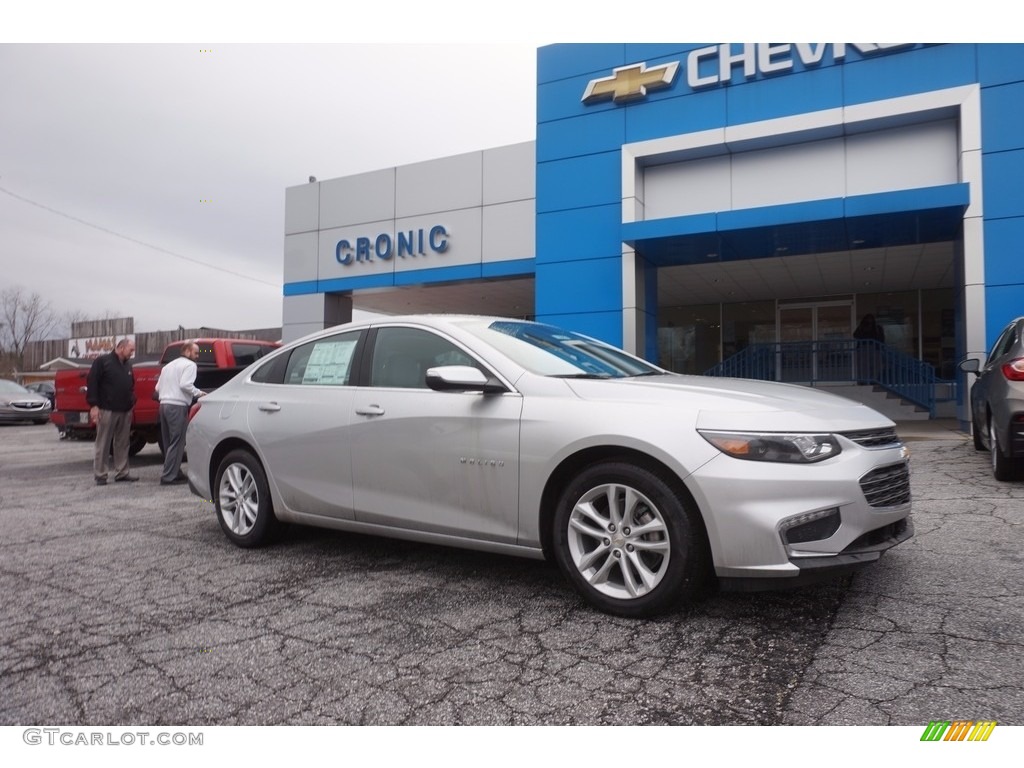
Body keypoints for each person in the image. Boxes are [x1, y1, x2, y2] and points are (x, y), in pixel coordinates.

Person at [87, 337, 138, 485]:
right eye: (131, 350)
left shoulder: (128, 365)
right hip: (106, 410)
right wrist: (94, 406)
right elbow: (92, 383)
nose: (132, 353)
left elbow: (131, 385)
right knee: (103, 443)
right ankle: (101, 475)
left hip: (125, 410)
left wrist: (132, 400)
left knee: (122, 443)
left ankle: (122, 472)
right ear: (121, 348)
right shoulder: (102, 362)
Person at [155, 341, 205, 485]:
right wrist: (199, 393)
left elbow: (157, 387)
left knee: (168, 441)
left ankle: (175, 471)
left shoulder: (167, 366)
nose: (197, 356)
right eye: (196, 353)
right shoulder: (190, 365)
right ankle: (168, 476)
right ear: (187, 351)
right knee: (178, 441)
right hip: (177, 405)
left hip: (163, 405)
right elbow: (185, 384)